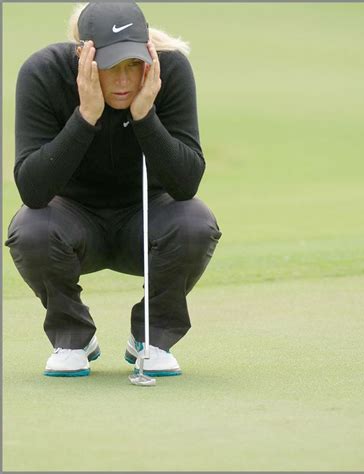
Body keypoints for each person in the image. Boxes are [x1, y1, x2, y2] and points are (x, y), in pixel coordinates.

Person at [5, 1, 222, 378]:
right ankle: (72, 337)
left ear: (147, 57)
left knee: (196, 222)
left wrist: (144, 115)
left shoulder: (168, 72)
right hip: (70, 221)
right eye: (110, 68)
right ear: (83, 57)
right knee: (30, 229)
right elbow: (33, 190)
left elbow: (186, 184)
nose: (123, 81)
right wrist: (85, 115)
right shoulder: (42, 73)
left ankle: (151, 338)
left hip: (149, 218)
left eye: (133, 65)